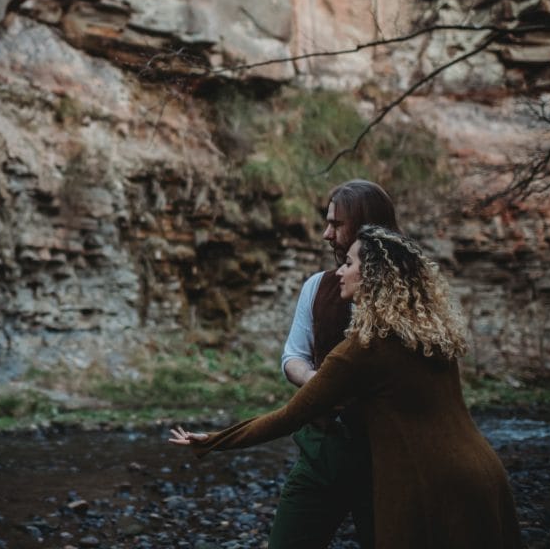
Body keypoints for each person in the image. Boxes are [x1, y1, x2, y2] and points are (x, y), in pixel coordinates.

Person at [170, 226, 522, 549]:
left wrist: (214, 440)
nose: (339, 271)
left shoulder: (363, 349)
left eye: (349, 263)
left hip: (431, 487)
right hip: (483, 475)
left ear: (371, 274)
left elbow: (290, 416)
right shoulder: (429, 336)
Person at [274, 179, 399, 549]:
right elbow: (292, 356)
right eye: (327, 222)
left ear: (367, 228)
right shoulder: (316, 287)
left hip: (388, 458)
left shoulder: (411, 298)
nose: (327, 234)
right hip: (321, 450)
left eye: (337, 224)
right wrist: (319, 380)